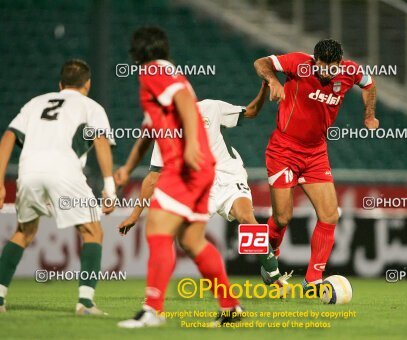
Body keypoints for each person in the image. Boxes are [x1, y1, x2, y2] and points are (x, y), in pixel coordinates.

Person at [117, 26, 241, 328]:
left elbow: (185, 100)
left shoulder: (152, 72)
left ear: (137, 53)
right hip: (201, 169)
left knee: (157, 229)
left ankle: (152, 310)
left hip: (184, 168)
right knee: (192, 241)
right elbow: (150, 132)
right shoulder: (168, 74)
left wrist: (192, 147)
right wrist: (128, 167)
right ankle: (230, 308)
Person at [115, 83, 292, 290]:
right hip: (200, 186)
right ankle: (156, 292)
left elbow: (251, 112)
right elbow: (153, 177)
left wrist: (264, 86)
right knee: (178, 236)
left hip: (229, 175)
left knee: (247, 219)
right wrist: (135, 215)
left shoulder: (211, 108)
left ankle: (273, 275)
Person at [253, 39, 378, 291]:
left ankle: (313, 280)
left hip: (316, 153)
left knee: (330, 215)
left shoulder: (350, 71)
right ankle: (270, 256)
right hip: (284, 150)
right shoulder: (299, 62)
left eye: (332, 69)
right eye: (322, 67)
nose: (326, 73)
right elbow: (261, 63)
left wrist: (369, 115)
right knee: (282, 217)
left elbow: (369, 84)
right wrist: (274, 81)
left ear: (340, 64)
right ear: (314, 61)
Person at [0, 59, 116, 315]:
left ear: (60, 84)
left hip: (28, 169)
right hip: (64, 169)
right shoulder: (91, 106)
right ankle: (85, 302)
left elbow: (9, 136)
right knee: (92, 232)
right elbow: (100, 140)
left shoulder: (35, 103)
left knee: (24, 231)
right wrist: (110, 188)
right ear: (88, 84)